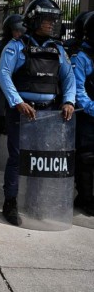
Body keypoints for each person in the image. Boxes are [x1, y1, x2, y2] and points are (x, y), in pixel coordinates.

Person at [0, 0, 75, 226]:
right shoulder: (17, 46)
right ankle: (10, 202)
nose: (52, 23)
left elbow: (68, 77)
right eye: (47, 19)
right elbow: (4, 74)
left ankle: (35, 200)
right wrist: (18, 101)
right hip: (22, 112)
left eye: (54, 19)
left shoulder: (58, 49)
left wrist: (69, 101)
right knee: (17, 158)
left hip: (48, 114)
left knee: (41, 159)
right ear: (34, 20)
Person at [0, 14, 26, 165]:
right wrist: (0, 84)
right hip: (1, 91)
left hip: (19, 91)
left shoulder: (24, 46)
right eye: (15, 31)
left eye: (20, 31)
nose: (18, 34)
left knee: (18, 124)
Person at [71, 11, 94, 215]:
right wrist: (90, 106)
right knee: (86, 157)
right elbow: (78, 88)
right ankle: (85, 198)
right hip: (88, 116)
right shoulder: (82, 57)